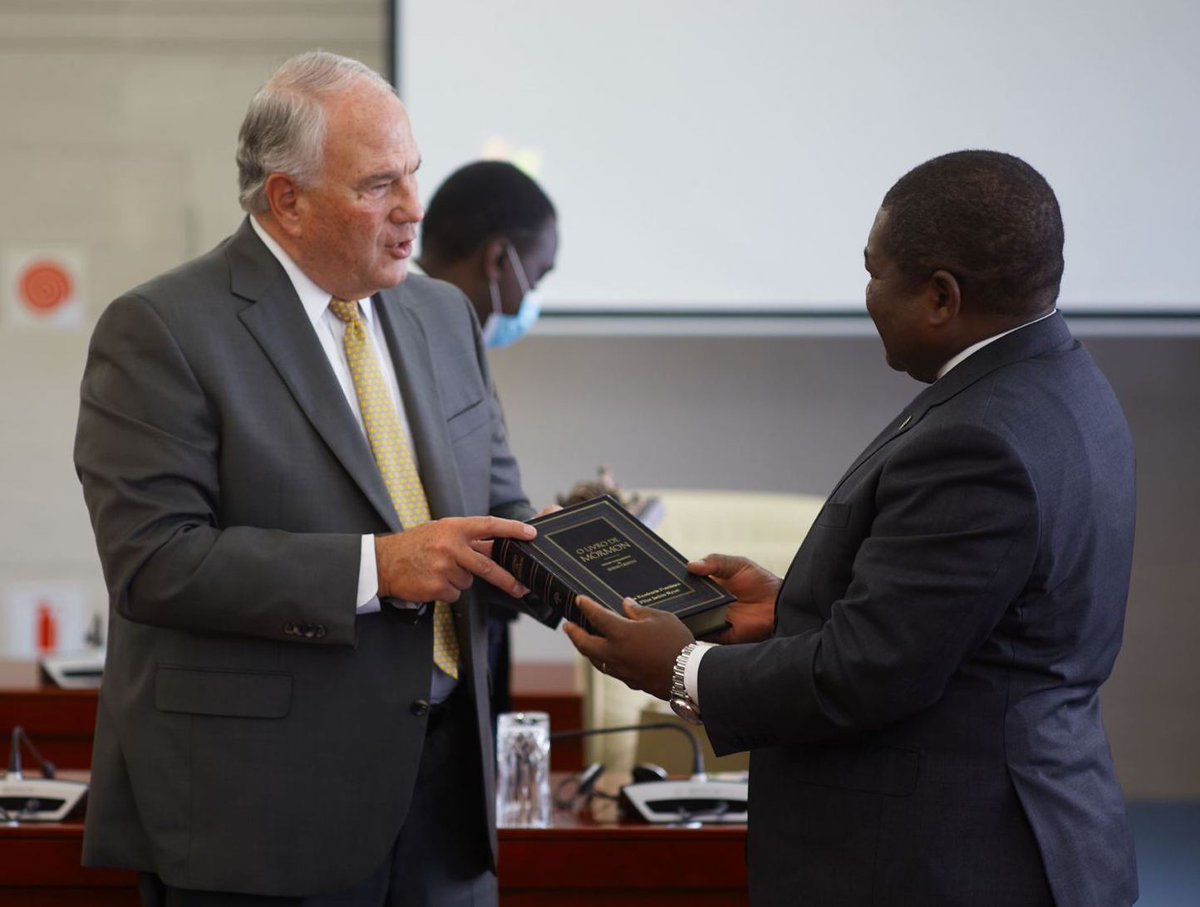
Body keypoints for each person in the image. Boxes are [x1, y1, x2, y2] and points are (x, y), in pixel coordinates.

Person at [564, 151, 1138, 907]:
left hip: (949, 861)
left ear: (941, 296)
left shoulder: (979, 441)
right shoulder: (1064, 382)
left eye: (874, 273)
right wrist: (793, 607)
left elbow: (869, 673)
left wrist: (681, 666)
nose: (866, 295)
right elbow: (961, 622)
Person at [74, 51, 559, 905]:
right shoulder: (161, 328)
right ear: (286, 199)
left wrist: (573, 556)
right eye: (379, 185)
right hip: (262, 815)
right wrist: (378, 567)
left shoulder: (443, 313)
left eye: (413, 173)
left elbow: (497, 505)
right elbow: (154, 561)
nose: (414, 208)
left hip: (445, 810)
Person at [415, 160, 558, 719]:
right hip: (410, 674)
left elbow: (491, 501)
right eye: (536, 278)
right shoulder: (381, 338)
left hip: (468, 651)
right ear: (499, 259)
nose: (530, 301)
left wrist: (558, 536)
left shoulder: (460, 339)